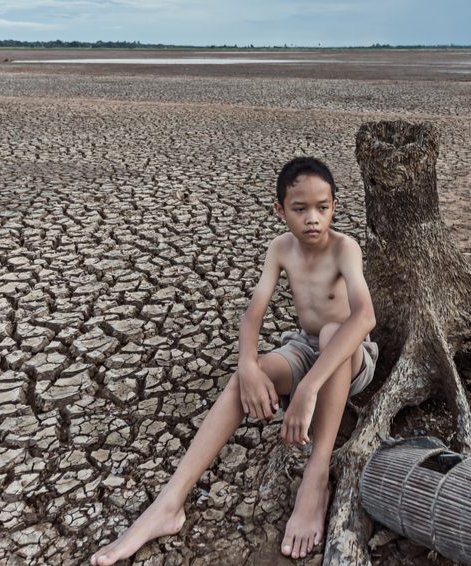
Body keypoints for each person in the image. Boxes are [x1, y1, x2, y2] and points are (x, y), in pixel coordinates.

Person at [90, 157, 378, 564]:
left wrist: (308, 389)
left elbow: (364, 317)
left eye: (323, 207)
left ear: (334, 205)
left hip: (349, 356)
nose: (313, 219)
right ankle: (169, 503)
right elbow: (253, 313)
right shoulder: (280, 249)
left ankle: (316, 478)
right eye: (300, 209)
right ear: (280, 210)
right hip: (302, 346)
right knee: (251, 373)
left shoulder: (345, 248)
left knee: (333, 332)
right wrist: (246, 365)